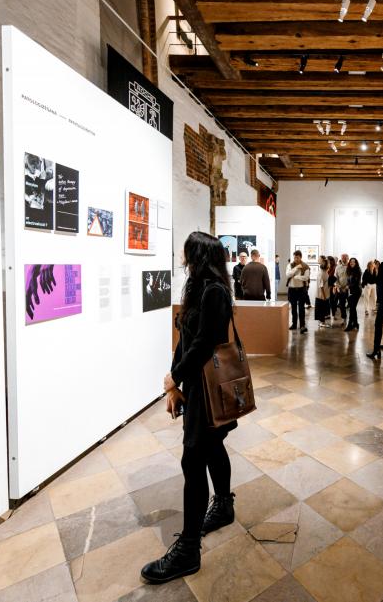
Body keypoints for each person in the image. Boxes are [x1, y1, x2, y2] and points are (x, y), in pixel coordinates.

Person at [141, 231, 236, 585]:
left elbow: (204, 343)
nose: (183, 259)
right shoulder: (200, 289)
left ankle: (188, 551)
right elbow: (185, 338)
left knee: (193, 459)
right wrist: (176, 383)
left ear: (197, 256)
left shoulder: (215, 291)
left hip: (208, 389)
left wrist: (173, 378)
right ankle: (224, 505)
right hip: (196, 386)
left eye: (187, 253)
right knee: (211, 448)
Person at [285, 251, 310, 334]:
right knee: (293, 308)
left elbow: (306, 278)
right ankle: (294, 324)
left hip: (301, 289)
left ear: (300, 257)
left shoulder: (305, 266)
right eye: (294, 257)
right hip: (292, 290)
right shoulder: (290, 265)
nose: (296, 259)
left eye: (297, 257)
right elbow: (288, 275)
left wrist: (297, 277)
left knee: (301, 308)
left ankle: (302, 325)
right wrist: (296, 268)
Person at [344, 257, 362, 332]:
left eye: (353, 262)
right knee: (352, 308)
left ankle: (350, 325)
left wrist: (348, 286)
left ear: (356, 263)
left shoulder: (358, 271)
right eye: (351, 261)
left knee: (352, 308)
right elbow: (348, 281)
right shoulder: (349, 271)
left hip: (357, 291)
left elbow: (356, 282)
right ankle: (355, 323)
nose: (352, 263)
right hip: (350, 292)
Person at [315, 257, 333, 328]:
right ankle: (322, 323)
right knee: (321, 309)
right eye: (328, 264)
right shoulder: (322, 273)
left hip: (324, 293)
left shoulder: (325, 272)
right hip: (322, 295)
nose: (329, 265)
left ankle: (322, 322)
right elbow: (321, 285)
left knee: (322, 309)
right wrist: (324, 296)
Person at [334, 254, 350, 321]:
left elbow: (353, 279)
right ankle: (344, 318)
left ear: (348, 258)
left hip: (349, 289)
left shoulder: (351, 267)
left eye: (345, 258)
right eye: (342, 258)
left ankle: (352, 320)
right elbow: (336, 278)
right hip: (340, 289)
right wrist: (338, 286)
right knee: (342, 304)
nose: (344, 259)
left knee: (351, 306)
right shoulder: (338, 267)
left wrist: (347, 287)